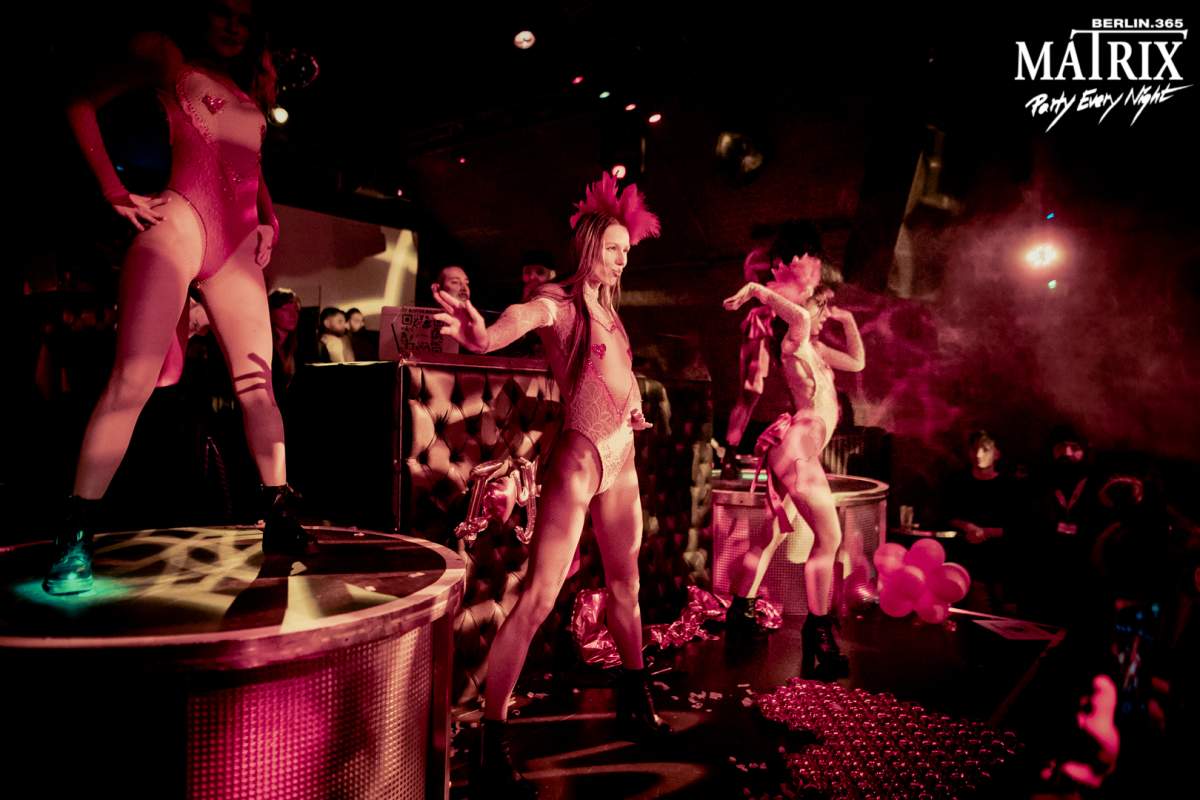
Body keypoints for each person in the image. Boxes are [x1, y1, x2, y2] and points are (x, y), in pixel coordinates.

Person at [46, 0, 310, 596]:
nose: (234, 25)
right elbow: (79, 101)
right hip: (179, 225)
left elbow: (250, 167)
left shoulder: (246, 93)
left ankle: (277, 513)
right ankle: (76, 531)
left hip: (237, 250)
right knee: (131, 381)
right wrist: (114, 191)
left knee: (258, 386)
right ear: (201, 12)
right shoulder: (168, 58)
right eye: (223, 11)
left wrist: (269, 220)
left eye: (245, 17)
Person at [433, 173, 667, 797]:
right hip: (580, 461)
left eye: (626, 251)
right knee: (538, 597)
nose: (623, 259)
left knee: (627, 586)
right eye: (614, 249)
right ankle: (492, 737)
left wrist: (634, 408)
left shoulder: (610, 311)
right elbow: (512, 323)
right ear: (589, 247)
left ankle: (635, 698)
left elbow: (618, 377)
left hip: (621, 459)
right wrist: (480, 335)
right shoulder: (558, 304)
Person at [722, 269, 864, 677]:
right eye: (822, 308)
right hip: (798, 447)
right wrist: (756, 290)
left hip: (795, 448)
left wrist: (847, 320)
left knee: (770, 536)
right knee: (829, 537)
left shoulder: (816, 350)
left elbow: (857, 360)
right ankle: (819, 634)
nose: (824, 315)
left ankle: (740, 614)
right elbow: (799, 316)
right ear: (805, 308)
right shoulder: (795, 340)